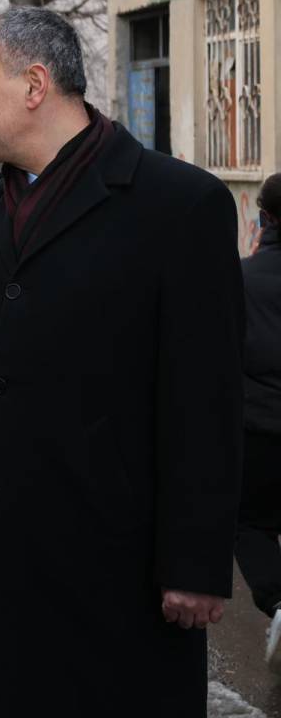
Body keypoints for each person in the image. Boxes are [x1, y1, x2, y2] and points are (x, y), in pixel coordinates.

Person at [0, 6, 244, 717]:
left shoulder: (180, 207)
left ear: (34, 85)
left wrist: (195, 561)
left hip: (114, 572)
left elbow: (203, 400)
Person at [235, 173, 281, 673]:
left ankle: (278, 600)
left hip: (259, 431)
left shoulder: (239, 281)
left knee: (247, 522)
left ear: (262, 217)